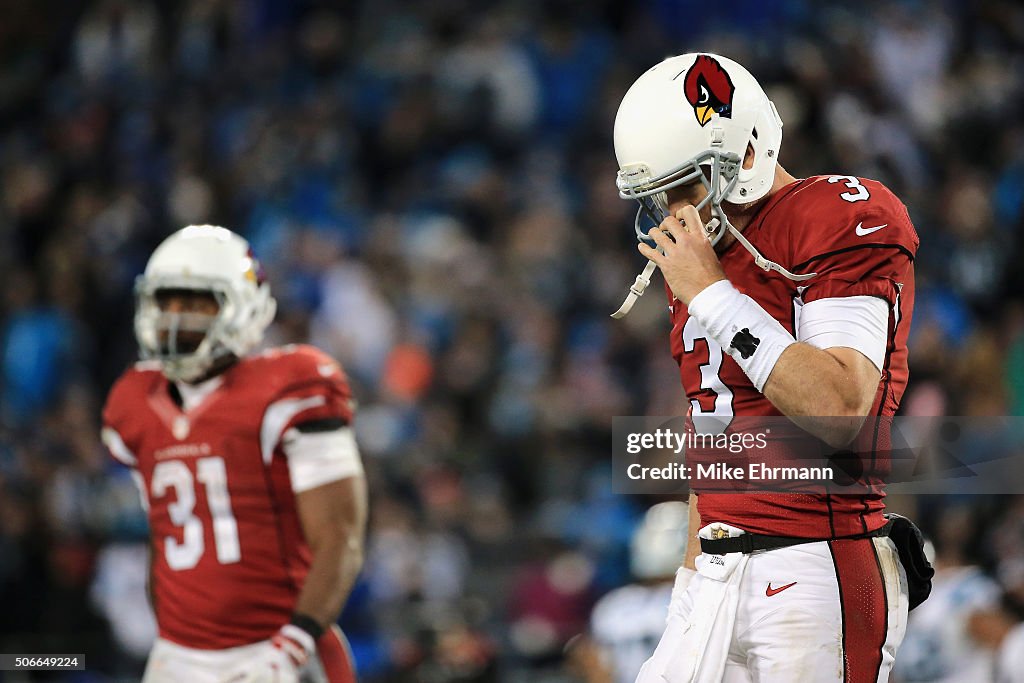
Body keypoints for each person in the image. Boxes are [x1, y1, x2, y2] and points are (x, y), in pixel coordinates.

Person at [611, 53, 922, 682]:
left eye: (686, 186)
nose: (676, 211)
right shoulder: (703, 254)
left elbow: (841, 409)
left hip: (814, 568)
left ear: (745, 153)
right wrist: (692, 579)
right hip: (717, 571)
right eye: (659, 195)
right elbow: (719, 445)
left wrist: (716, 297)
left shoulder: (831, 216)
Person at [101, 225, 365, 683]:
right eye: (168, 302)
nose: (177, 318)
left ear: (243, 308)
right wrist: (170, 641)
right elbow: (164, 538)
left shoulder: (293, 384)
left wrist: (290, 648)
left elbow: (341, 536)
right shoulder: (133, 400)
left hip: (275, 648)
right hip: (179, 656)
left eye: (198, 304)